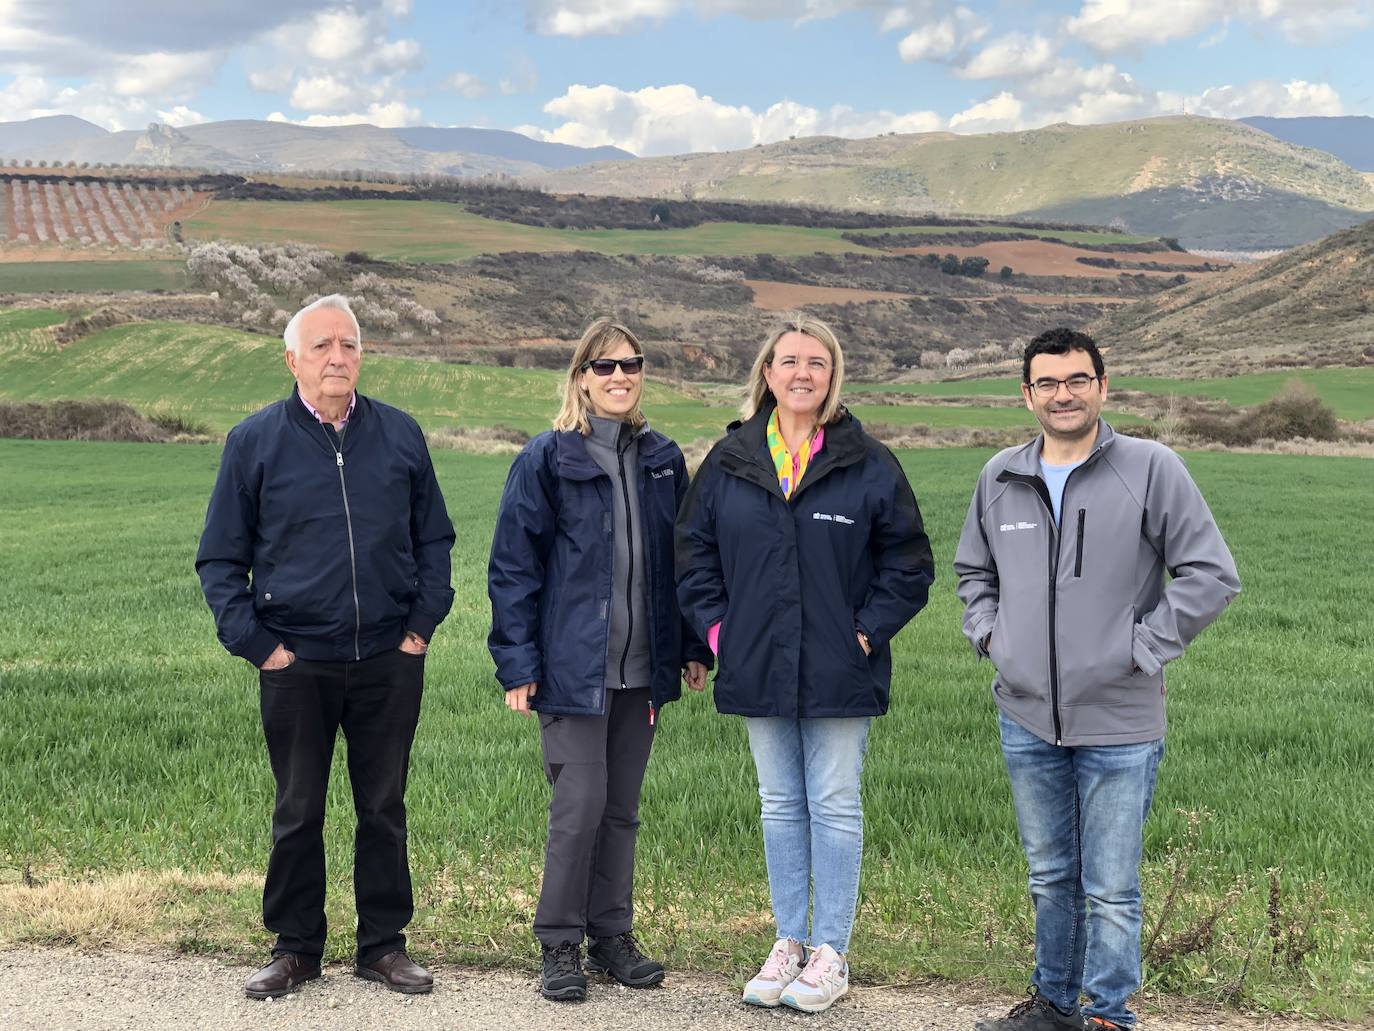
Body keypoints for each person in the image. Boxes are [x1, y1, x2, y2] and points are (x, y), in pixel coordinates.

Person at [954, 327, 1240, 1031]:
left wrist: (1142, 647)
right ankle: (1054, 1004)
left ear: (1102, 387)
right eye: (1047, 382)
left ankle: (1109, 1013)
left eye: (1077, 379)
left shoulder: (1150, 467)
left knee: (1111, 887)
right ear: (1027, 395)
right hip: (1025, 715)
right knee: (1051, 878)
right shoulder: (1000, 476)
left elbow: (1211, 574)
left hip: (1119, 718)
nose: (1063, 394)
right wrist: (992, 636)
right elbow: (972, 572)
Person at [196, 294, 455, 1000]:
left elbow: (435, 540)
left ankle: (383, 945)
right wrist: (260, 646)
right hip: (296, 661)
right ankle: (296, 946)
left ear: (362, 356)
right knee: (298, 807)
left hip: (386, 659)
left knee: (383, 805)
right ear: (292, 359)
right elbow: (220, 559)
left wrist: (419, 628)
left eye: (348, 344)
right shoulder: (254, 442)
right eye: (321, 346)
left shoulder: (400, 435)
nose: (337, 357)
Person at [675, 313, 934, 1014]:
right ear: (767, 373)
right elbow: (693, 555)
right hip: (756, 661)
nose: (801, 373)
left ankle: (831, 953)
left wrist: (864, 633)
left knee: (836, 803)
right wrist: (722, 633)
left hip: (839, 667)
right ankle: (788, 940)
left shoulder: (867, 461)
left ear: (832, 376)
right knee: (781, 803)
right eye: (788, 360)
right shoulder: (731, 462)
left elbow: (908, 564)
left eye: (815, 362)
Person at [487, 318, 711, 1002]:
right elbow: (513, 567)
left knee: (620, 807)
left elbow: (685, 562)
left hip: (642, 668)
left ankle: (611, 936)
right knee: (579, 803)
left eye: (631, 365)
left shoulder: (664, 459)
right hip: (569, 670)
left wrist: (695, 645)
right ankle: (559, 942)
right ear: (581, 376)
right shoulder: (547, 458)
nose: (620, 377)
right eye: (605, 366)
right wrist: (517, 661)